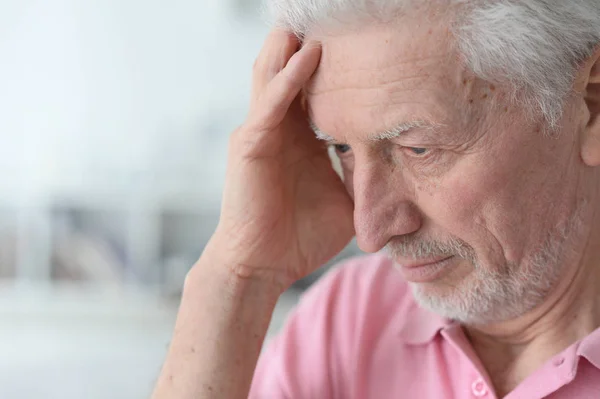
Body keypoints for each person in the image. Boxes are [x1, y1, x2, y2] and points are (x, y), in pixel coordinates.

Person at [151, 1, 600, 398]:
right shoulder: (346, 318)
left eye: (418, 149)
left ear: (591, 104)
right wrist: (238, 275)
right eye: (341, 149)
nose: (369, 230)